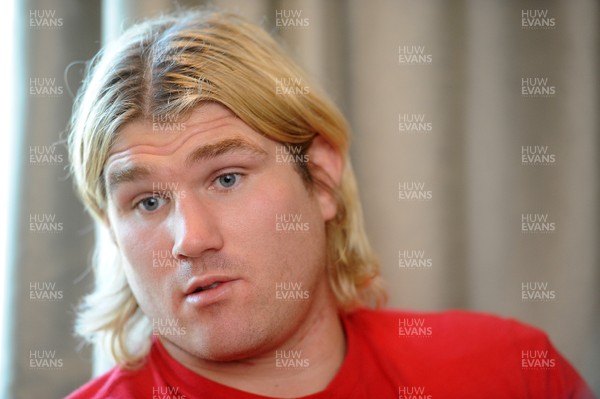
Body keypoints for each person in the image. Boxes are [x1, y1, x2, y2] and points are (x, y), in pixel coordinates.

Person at [66, 9, 595, 399]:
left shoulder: (510, 372)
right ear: (112, 230)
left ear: (320, 177)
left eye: (226, 178)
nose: (190, 238)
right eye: (148, 201)